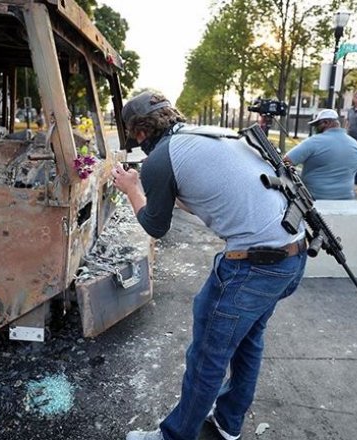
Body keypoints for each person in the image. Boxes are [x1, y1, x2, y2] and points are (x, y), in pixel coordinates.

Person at [113, 92, 307, 440]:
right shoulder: (210, 135)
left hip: (253, 268)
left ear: (139, 133)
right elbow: (207, 197)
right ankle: (228, 422)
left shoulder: (160, 158)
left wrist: (130, 188)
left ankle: (174, 436)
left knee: (207, 358)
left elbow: (155, 226)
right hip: (292, 256)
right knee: (248, 341)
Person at [282, 109, 357, 200]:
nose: (316, 128)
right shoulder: (355, 145)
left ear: (326, 122)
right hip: (346, 199)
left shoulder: (314, 141)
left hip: (314, 200)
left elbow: (286, 160)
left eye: (317, 125)